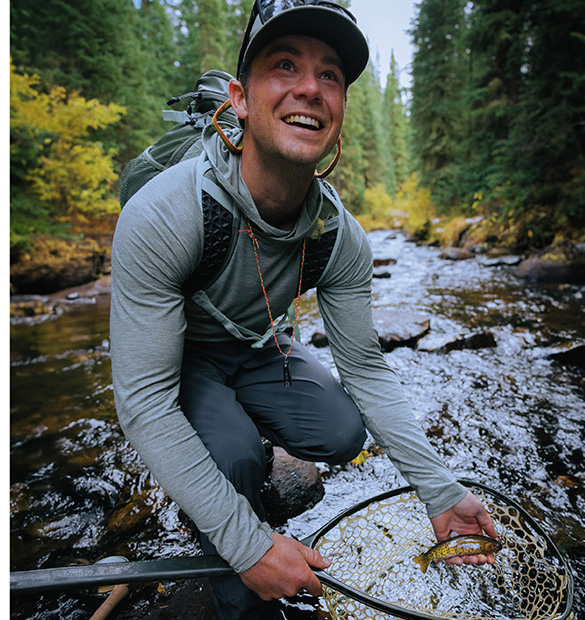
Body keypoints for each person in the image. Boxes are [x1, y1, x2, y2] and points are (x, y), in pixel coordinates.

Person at [110, 1, 498, 618]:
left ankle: (228, 459)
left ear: (341, 111)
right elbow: (142, 400)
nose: (310, 89)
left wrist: (440, 489)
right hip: (181, 356)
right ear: (240, 99)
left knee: (343, 433)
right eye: (284, 65)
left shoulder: (339, 236)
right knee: (232, 454)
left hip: (261, 345)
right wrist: (249, 543)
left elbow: (366, 369)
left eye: (331, 76)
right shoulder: (166, 213)